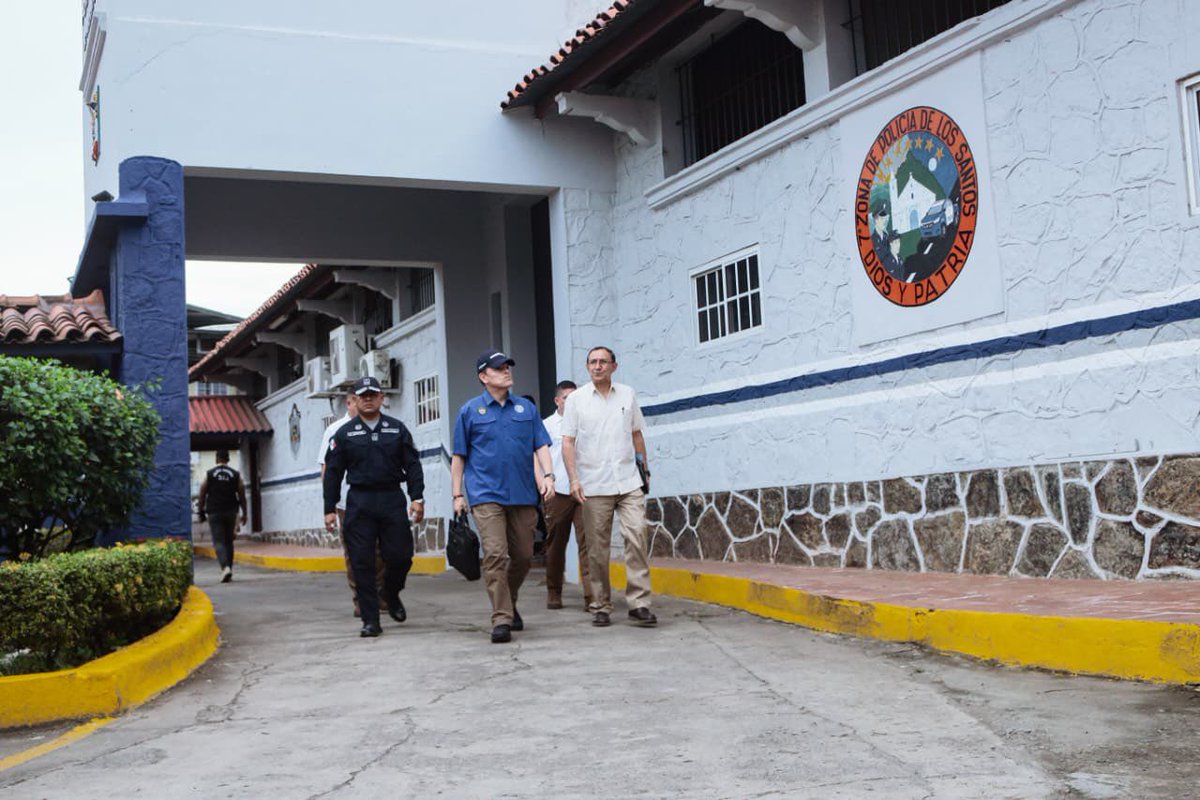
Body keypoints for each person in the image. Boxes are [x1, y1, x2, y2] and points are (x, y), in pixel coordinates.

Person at [451, 350, 555, 644]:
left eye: (508, 366)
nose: (506, 371)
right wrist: (457, 494)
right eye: (498, 368)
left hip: (522, 494)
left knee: (523, 556)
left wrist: (548, 476)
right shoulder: (469, 411)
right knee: (496, 555)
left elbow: (541, 445)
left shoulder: (526, 409)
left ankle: (508, 601)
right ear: (484, 377)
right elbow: (459, 456)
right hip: (485, 494)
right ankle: (501, 618)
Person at [323, 376, 425, 638]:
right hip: (360, 502)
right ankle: (370, 620)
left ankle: (391, 593)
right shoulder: (344, 434)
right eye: (362, 396)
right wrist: (329, 508)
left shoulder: (397, 429)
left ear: (382, 398)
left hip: (392, 499)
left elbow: (412, 465)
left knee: (401, 556)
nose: (368, 399)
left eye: (373, 394)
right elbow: (333, 473)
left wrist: (417, 497)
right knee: (362, 562)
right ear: (354, 401)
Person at [562, 346, 656, 628]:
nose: (597, 366)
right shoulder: (576, 400)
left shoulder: (627, 394)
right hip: (594, 484)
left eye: (603, 362)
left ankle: (639, 604)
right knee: (597, 549)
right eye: (592, 362)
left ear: (614, 366)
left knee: (637, 535)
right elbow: (568, 442)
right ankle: (600, 603)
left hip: (628, 480)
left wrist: (645, 468)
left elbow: (637, 433)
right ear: (587, 366)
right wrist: (574, 479)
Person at [319, 388, 387, 618]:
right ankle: (360, 599)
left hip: (378, 501)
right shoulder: (335, 430)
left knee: (380, 550)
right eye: (355, 401)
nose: (361, 403)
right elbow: (326, 470)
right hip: (347, 505)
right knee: (355, 553)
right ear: (350, 402)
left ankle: (379, 594)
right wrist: (331, 503)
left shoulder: (380, 426)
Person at [541, 380, 592, 610]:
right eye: (567, 398)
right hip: (558, 491)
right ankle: (554, 591)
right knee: (556, 544)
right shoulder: (547, 425)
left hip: (584, 489)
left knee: (588, 543)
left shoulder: (586, 422)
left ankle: (592, 596)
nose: (571, 403)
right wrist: (544, 482)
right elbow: (538, 456)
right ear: (557, 400)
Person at [198, 449, 247, 583]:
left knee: (218, 541)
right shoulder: (235, 474)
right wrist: (245, 513)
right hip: (231, 511)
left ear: (216, 459)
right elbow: (241, 494)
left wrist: (200, 512)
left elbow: (202, 493)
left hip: (214, 511)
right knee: (228, 541)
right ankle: (229, 569)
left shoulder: (209, 474)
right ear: (228, 459)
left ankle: (225, 568)